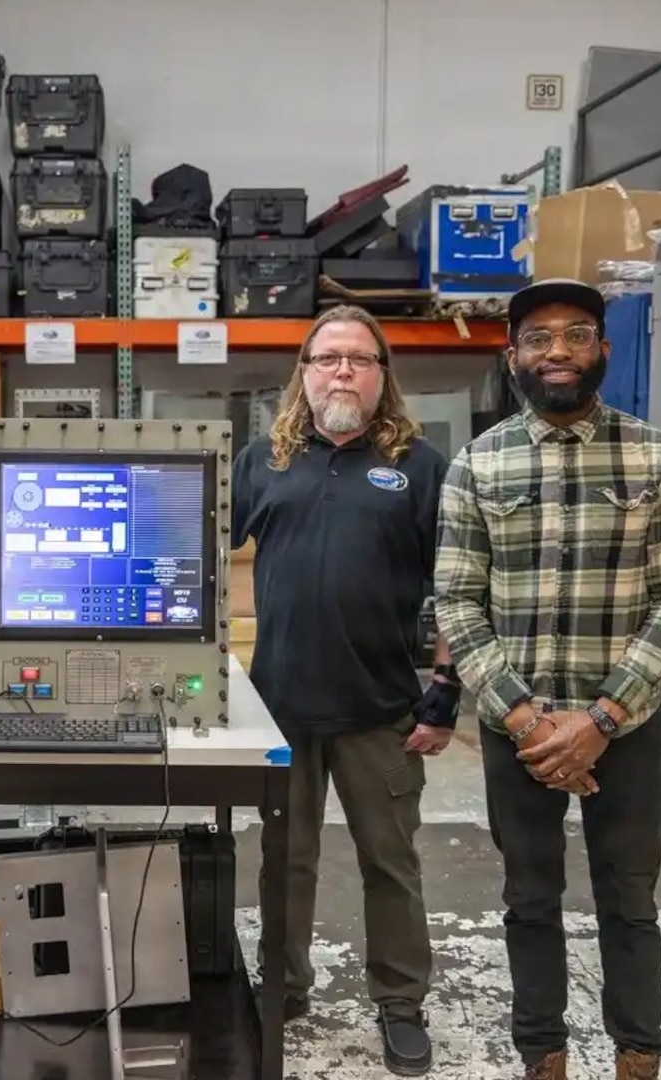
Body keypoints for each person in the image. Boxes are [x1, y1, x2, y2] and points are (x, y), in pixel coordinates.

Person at [434, 278, 661, 1080]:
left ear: (602, 350)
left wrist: (599, 719)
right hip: (512, 727)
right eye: (539, 337)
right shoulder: (476, 465)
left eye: (576, 334)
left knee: (629, 901)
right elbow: (455, 599)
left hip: (620, 726)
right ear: (511, 354)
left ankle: (637, 1055)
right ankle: (541, 1057)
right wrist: (524, 719)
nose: (557, 350)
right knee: (529, 898)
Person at [232, 303, 459, 1076]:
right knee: (282, 862)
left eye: (358, 360)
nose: (341, 372)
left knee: (389, 862)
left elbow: (456, 588)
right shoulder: (261, 459)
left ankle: (399, 1001)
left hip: (381, 712)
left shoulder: (421, 466)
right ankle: (284, 988)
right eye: (326, 358)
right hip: (280, 710)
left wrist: (444, 691)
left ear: (380, 376)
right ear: (303, 372)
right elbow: (196, 546)